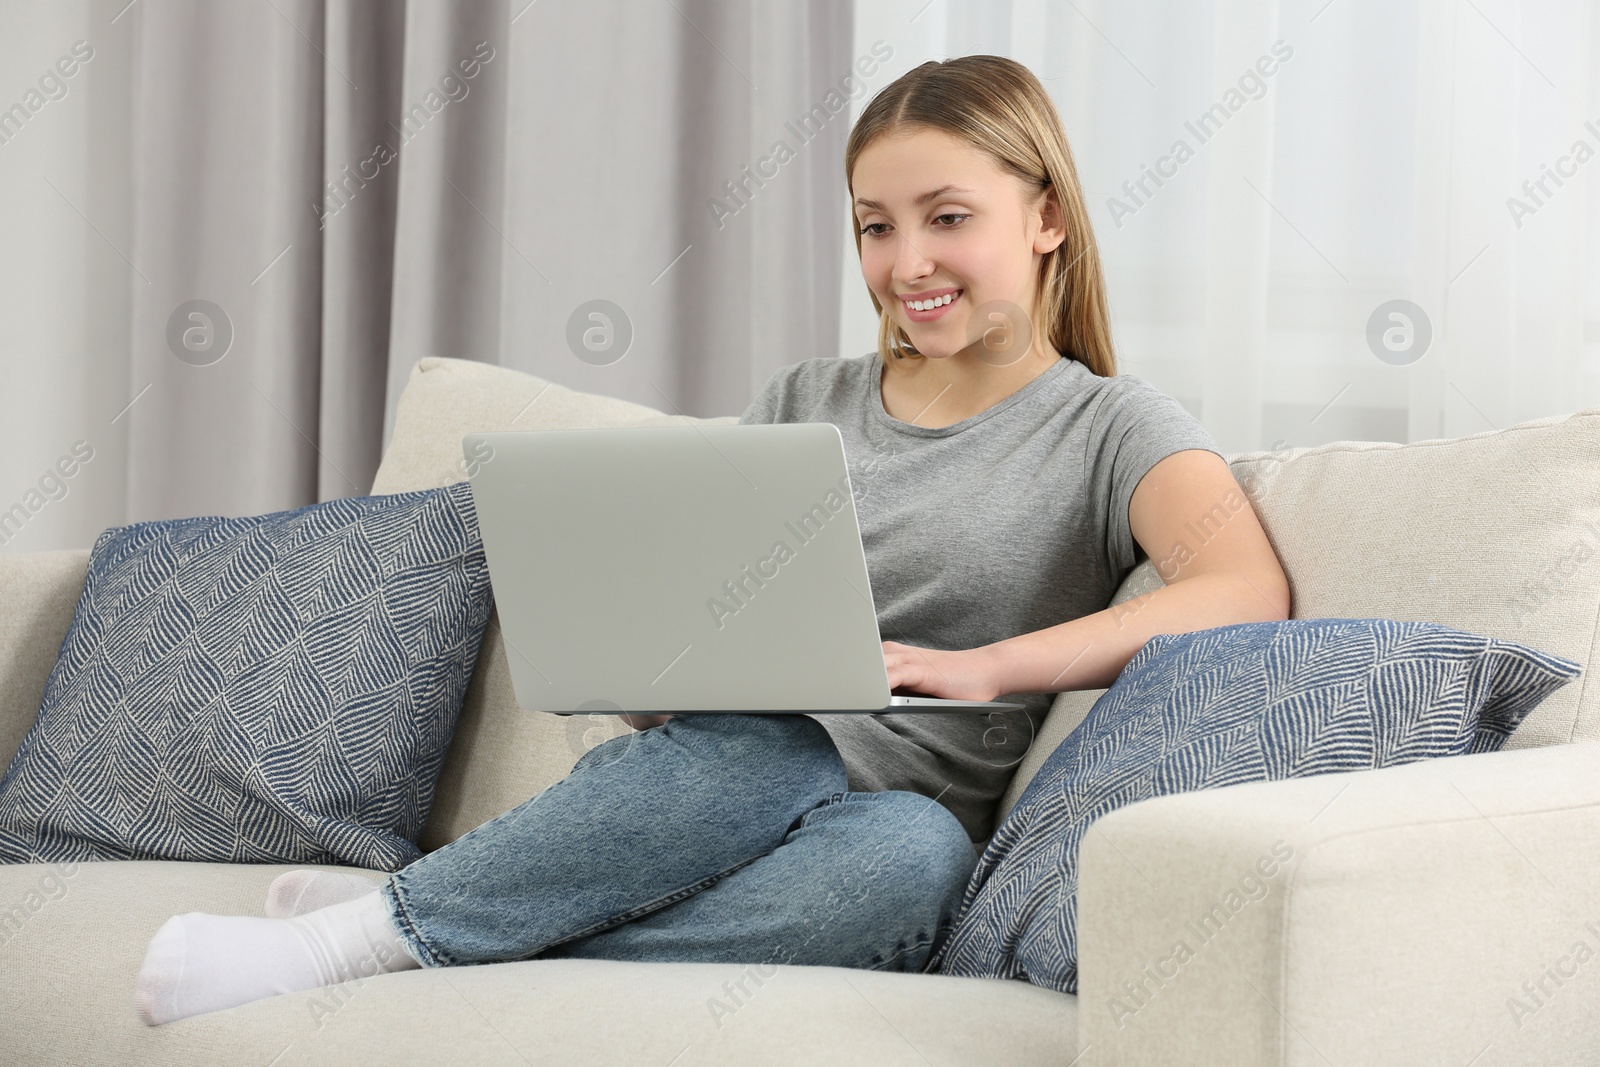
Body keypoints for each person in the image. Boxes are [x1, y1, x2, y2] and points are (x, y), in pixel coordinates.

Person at [133, 54, 1290, 1026]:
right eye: (876, 227)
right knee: (769, 741)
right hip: (720, 777)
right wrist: (663, 674)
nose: (907, 264)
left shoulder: (1106, 424)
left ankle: (408, 936)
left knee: (918, 854)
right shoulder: (807, 398)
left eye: (948, 218)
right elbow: (705, 599)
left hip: (876, 829)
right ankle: (374, 938)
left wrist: (985, 666)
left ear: (1044, 217)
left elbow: (1240, 583)